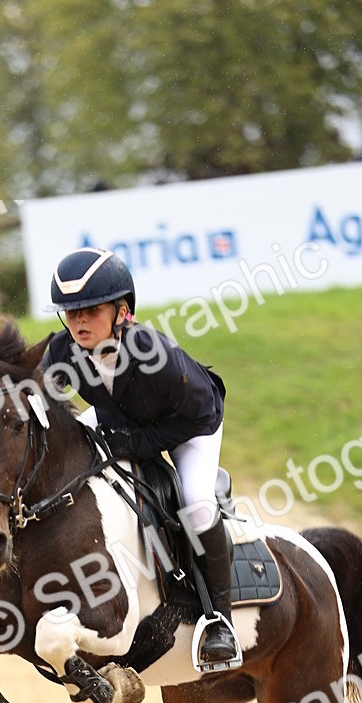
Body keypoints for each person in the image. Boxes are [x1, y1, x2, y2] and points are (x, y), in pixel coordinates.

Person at [42, 246, 241, 669]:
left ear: (122, 310)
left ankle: (219, 620)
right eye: (70, 312)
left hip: (190, 425)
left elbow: (200, 412)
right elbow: (40, 398)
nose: (78, 322)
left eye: (90, 310)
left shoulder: (156, 355)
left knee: (198, 505)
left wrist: (140, 445)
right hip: (122, 416)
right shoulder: (62, 352)